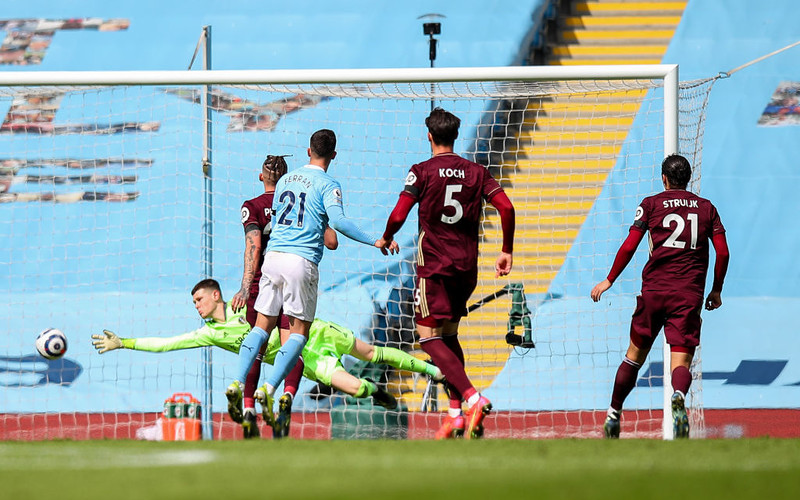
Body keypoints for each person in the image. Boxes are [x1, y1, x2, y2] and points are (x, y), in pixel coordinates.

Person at [91, 279, 443, 437]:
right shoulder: (210, 334)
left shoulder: (250, 304)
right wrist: (124, 342)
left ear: (216, 295)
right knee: (356, 388)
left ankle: (431, 368)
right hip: (310, 356)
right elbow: (167, 343)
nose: (196, 307)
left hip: (314, 332)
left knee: (371, 351)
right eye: (194, 303)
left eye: (199, 299)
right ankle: (377, 393)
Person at [227, 128, 399, 433]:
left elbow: (282, 218)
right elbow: (340, 224)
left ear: (308, 151)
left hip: (273, 259)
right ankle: (269, 389)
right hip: (300, 261)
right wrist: (377, 241)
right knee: (297, 335)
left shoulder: (285, 182)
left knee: (260, 328)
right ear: (333, 155)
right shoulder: (329, 184)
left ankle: (238, 383)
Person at [377, 108, 516, 439]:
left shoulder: (422, 171)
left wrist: (387, 236)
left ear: (429, 136)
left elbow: (399, 213)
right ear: (455, 135)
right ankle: (454, 415)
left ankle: (472, 397)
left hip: (435, 267)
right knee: (449, 335)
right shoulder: (476, 171)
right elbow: (507, 207)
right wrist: (506, 250)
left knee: (428, 338)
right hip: (467, 268)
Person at [591, 154, 730, 439]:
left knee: (633, 358)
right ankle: (678, 395)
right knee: (681, 362)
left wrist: (609, 279)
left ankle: (613, 414)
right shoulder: (707, 209)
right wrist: (716, 288)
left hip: (654, 292)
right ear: (688, 178)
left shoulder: (651, 204)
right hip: (687, 295)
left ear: (663, 178)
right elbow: (723, 251)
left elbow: (630, 245)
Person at [229, 154, 339, 438]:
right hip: (296, 276)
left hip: (263, 282)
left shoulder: (252, 206)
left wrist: (244, 287)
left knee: (257, 344)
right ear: (288, 177)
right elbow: (332, 242)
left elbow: (252, 246)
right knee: (294, 344)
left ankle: (250, 408)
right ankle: (286, 397)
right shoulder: (309, 199)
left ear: (260, 177)